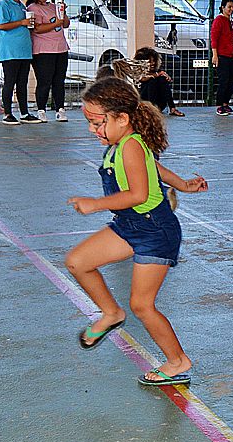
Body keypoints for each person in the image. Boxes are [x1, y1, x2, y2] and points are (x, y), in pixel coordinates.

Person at [65, 77, 208, 387]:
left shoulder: (130, 145)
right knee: (78, 261)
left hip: (154, 229)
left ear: (122, 118)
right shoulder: (123, 143)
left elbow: (138, 194)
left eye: (97, 122)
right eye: (90, 122)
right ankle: (110, 314)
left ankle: (177, 360)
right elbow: (153, 167)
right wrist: (183, 184)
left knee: (142, 305)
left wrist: (96, 204)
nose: (93, 130)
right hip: (131, 226)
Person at [0, 0, 37, 125]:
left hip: (23, 49)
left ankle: (24, 112)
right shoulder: (2, 5)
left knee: (22, 82)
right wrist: (21, 22)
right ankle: (7, 113)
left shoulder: (21, 6)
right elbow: (0, 25)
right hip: (10, 50)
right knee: (10, 81)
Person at [27, 0, 71, 122]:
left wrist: (63, 13)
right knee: (44, 81)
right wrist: (55, 23)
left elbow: (65, 24)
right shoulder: (33, 8)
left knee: (59, 81)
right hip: (44, 50)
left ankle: (60, 109)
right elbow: (37, 28)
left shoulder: (54, 7)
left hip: (60, 48)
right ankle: (41, 110)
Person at [210, 0, 233, 116]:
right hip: (222, 55)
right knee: (223, 80)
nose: (231, 9)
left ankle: (225, 103)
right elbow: (214, 38)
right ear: (223, 8)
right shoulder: (219, 20)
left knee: (232, 80)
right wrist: (215, 55)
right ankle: (219, 105)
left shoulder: (231, 23)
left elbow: (228, 38)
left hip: (232, 55)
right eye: (229, 7)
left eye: (232, 7)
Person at [132, 47, 183, 116]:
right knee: (151, 80)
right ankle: (152, 109)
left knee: (162, 79)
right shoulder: (138, 72)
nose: (153, 63)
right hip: (144, 103)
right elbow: (142, 78)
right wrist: (157, 74)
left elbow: (165, 82)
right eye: (150, 61)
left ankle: (172, 108)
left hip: (159, 104)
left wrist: (166, 78)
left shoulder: (158, 72)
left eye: (154, 61)